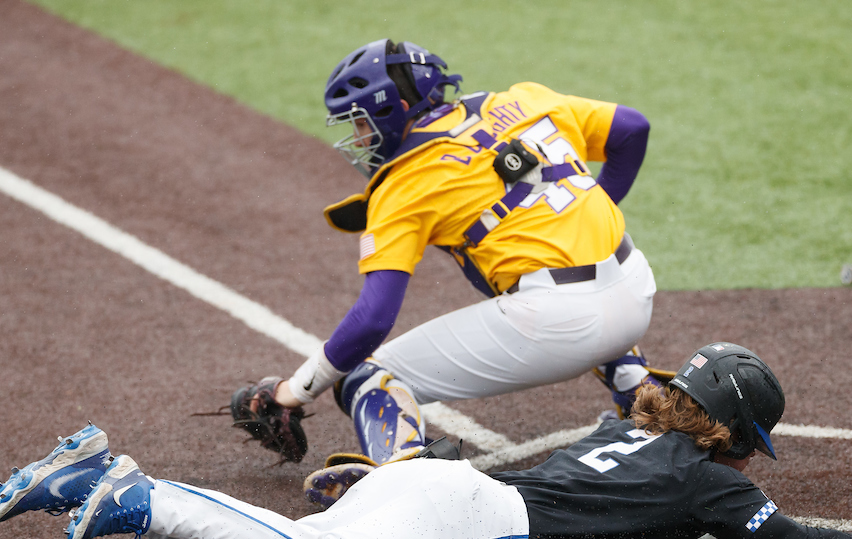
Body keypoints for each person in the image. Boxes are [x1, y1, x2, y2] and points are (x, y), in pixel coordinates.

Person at [0, 343, 852, 539]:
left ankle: (132, 510)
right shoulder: (711, 487)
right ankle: (138, 491)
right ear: (732, 433)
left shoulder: (623, 422)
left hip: (434, 489)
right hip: (474, 523)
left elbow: (630, 377)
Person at [248, 38, 662, 508]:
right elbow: (632, 128)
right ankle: (643, 396)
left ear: (394, 110)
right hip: (636, 287)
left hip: (559, 324)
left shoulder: (403, 182)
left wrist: (294, 391)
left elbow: (373, 319)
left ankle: (404, 479)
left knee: (364, 378)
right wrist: (597, 203)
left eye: (360, 123)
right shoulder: (518, 99)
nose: (358, 139)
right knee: (574, 275)